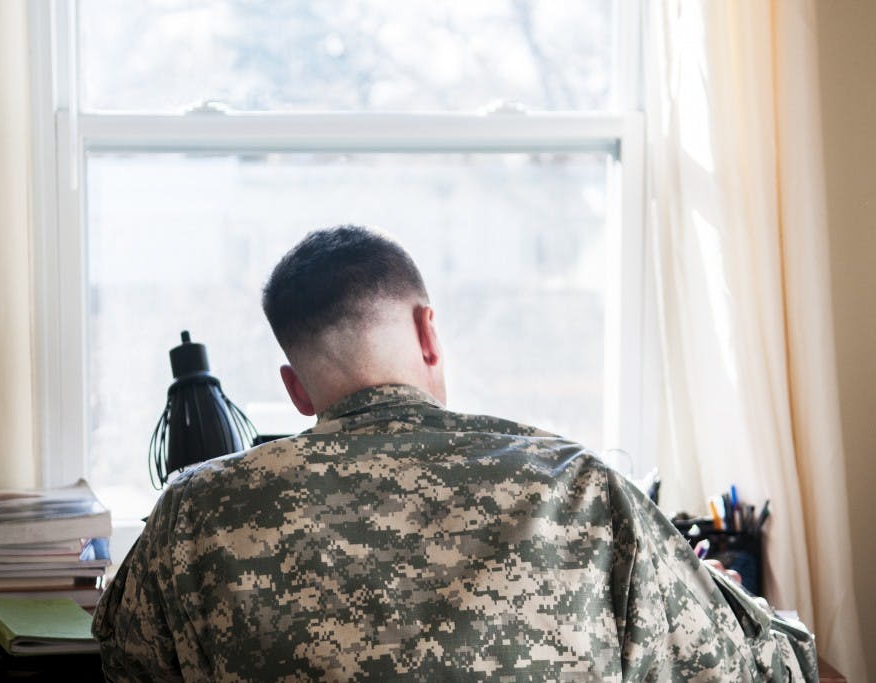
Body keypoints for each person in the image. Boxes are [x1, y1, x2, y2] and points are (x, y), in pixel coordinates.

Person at [93, 226, 816, 681]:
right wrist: (728, 593)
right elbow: (775, 669)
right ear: (428, 331)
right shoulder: (583, 488)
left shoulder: (191, 513)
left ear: (296, 389)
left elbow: (124, 661)